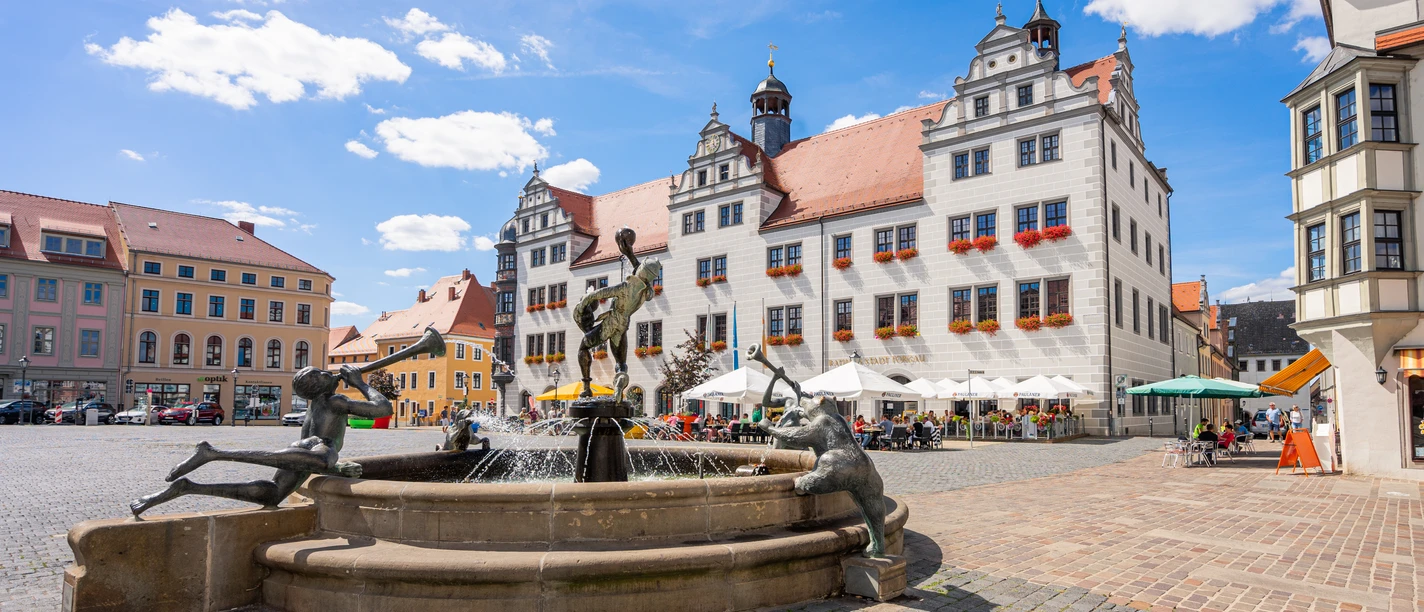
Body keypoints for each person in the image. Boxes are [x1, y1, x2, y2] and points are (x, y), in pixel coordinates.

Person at [131, 365, 392, 516]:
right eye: (323, 374)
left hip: (301, 451)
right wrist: (360, 383)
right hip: (318, 449)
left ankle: (188, 487)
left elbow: (310, 453)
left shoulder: (315, 405)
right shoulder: (336, 401)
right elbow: (383, 409)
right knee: (324, 459)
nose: (330, 372)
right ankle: (215, 453)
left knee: (273, 495)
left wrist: (336, 467)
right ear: (320, 386)